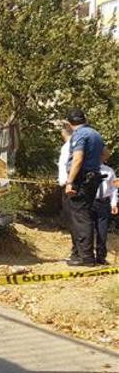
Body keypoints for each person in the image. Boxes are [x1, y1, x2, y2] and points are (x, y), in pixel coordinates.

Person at [65, 109, 105, 266]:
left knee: (81, 217)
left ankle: (86, 257)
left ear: (69, 123)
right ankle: (85, 255)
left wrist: (70, 182)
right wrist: (94, 164)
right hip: (93, 177)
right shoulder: (95, 133)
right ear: (85, 119)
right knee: (85, 214)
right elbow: (105, 153)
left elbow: (78, 159)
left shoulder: (80, 135)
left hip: (82, 179)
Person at [57, 122, 78, 262]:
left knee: (75, 220)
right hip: (67, 186)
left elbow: (74, 164)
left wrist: (70, 182)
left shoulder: (73, 145)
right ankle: (76, 249)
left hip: (72, 186)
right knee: (71, 220)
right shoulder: (69, 146)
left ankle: (78, 251)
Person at [93, 151, 117, 265]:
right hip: (90, 202)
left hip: (104, 203)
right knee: (87, 230)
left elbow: (114, 189)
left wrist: (114, 204)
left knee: (102, 231)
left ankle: (101, 257)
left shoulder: (110, 171)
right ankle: (86, 256)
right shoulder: (87, 169)